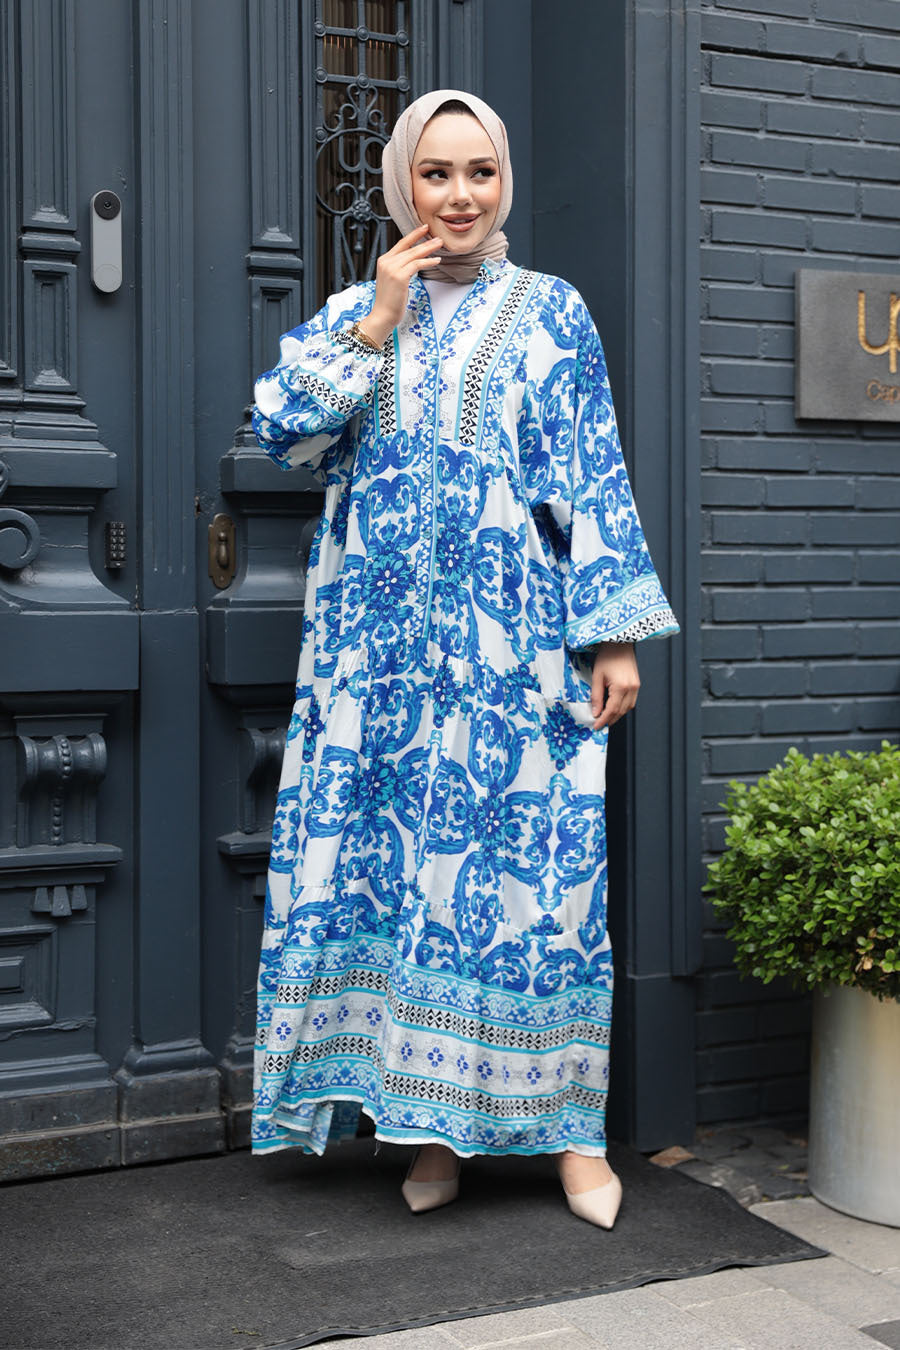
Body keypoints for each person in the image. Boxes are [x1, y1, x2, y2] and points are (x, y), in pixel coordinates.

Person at [250, 89, 678, 1229]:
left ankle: (573, 1138)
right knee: (405, 890)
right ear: (402, 186)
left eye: (479, 172)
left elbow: (592, 471)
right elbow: (282, 433)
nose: (459, 197)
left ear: (504, 181)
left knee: (539, 885)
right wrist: (380, 317)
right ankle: (425, 1129)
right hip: (375, 661)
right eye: (435, 174)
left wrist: (616, 631)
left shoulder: (552, 312)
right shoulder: (355, 310)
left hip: (513, 649)